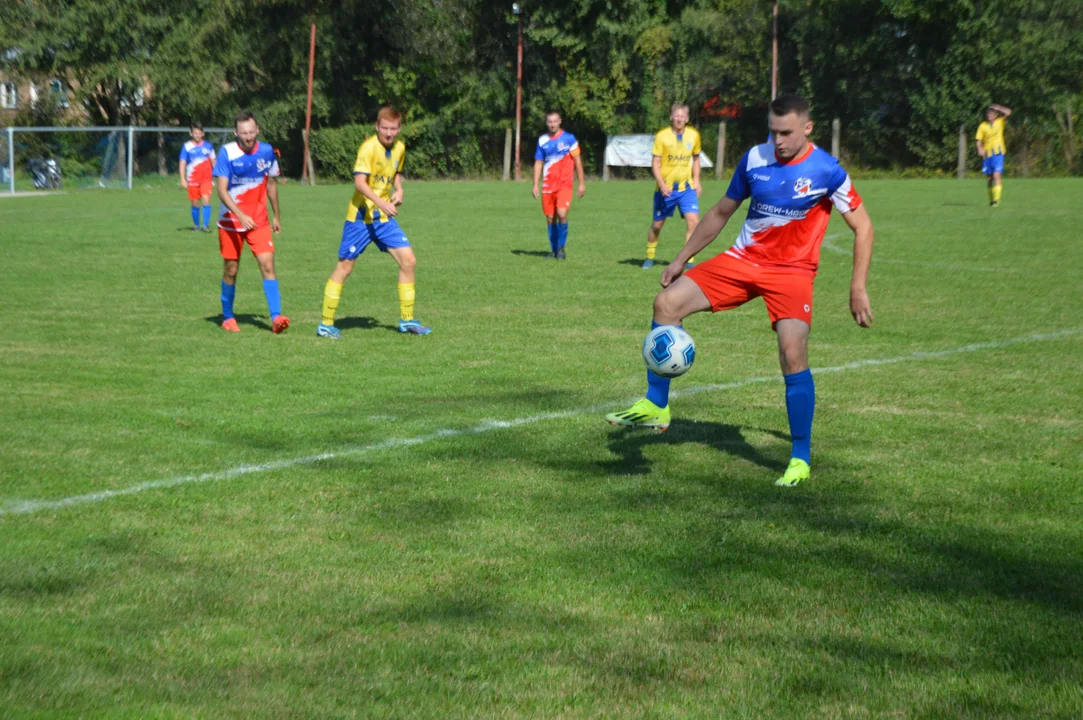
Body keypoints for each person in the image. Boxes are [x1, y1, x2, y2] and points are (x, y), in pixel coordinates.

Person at [605, 94, 875, 487]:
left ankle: (799, 455)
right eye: (773, 131)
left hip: (792, 271)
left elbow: (863, 227)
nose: (778, 140)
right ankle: (657, 404)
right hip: (743, 260)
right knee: (666, 302)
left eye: (786, 132)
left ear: (807, 128)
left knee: (793, 352)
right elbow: (719, 213)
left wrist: (857, 286)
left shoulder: (827, 171)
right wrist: (681, 258)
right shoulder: (755, 159)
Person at [318, 106, 430, 338]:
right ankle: (326, 324)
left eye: (393, 129)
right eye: (385, 128)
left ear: (399, 129)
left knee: (408, 261)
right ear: (377, 127)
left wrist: (399, 190)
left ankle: (407, 321)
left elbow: (395, 173)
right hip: (359, 218)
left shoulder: (399, 148)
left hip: (382, 218)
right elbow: (360, 183)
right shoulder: (368, 148)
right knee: (345, 267)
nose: (389, 133)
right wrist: (382, 202)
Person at [212, 109, 289, 334]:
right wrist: (239, 215)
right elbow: (222, 191)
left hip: (258, 221)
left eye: (251, 131)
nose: (248, 136)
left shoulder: (266, 151)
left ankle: (276, 318)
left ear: (257, 130)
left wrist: (276, 215)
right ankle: (227, 317)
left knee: (267, 265)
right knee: (231, 270)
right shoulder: (227, 152)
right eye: (243, 132)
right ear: (236, 132)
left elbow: (271, 184)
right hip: (230, 222)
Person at [643, 104, 702, 270]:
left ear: (687, 119)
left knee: (693, 222)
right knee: (657, 225)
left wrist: (696, 181)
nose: (679, 119)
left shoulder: (694, 135)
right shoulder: (662, 136)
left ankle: (689, 260)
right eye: (676, 115)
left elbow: (696, 159)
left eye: (682, 116)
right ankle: (650, 255)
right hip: (666, 190)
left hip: (686, 189)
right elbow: (655, 163)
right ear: (671, 117)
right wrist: (661, 184)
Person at [531, 111, 586, 260]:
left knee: (562, 214)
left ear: (560, 121)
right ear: (546, 122)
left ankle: (561, 248)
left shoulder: (569, 139)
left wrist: (581, 183)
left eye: (555, 121)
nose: (552, 124)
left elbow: (578, 161)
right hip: (548, 185)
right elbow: (538, 162)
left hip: (564, 185)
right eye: (549, 121)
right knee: (550, 218)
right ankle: (554, 249)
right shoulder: (542, 140)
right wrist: (535, 183)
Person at [178, 123, 215, 232]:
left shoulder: (208, 146)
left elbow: (213, 161)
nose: (197, 135)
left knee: (206, 199)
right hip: (192, 179)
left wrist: (218, 175)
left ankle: (205, 226)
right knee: (195, 203)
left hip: (206, 179)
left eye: (199, 133)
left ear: (203, 134)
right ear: (191, 133)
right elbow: (182, 163)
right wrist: (182, 179)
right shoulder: (186, 147)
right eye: (195, 133)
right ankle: (196, 226)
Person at [975, 103, 1012, 207]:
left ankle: (996, 200)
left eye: (991, 113)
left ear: (996, 115)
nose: (989, 115)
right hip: (987, 155)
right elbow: (978, 140)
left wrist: (999, 107)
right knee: (989, 178)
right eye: (988, 113)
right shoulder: (982, 125)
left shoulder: (1000, 122)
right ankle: (991, 201)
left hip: (998, 153)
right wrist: (980, 148)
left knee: (997, 175)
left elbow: (1009, 112)